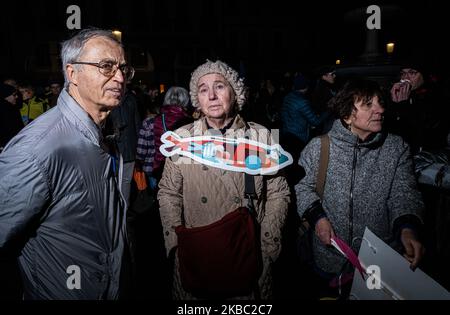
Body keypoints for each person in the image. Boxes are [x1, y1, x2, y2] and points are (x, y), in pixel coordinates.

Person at [0, 27, 135, 299]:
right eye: (106, 66)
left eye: (123, 68)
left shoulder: (105, 133)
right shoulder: (38, 149)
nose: (119, 77)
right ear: (72, 74)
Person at [157, 60, 290, 300]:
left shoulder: (259, 136)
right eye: (203, 89)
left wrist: (267, 243)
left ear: (234, 92)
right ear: (197, 98)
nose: (212, 96)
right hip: (197, 254)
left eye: (219, 86)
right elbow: (168, 192)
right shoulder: (184, 138)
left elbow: (278, 192)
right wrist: (175, 241)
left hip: (247, 254)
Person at [295, 79, 425, 299]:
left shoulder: (396, 148)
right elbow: (302, 187)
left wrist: (407, 227)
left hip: (378, 259)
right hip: (330, 257)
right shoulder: (319, 147)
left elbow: (404, 193)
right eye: (368, 104)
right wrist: (317, 217)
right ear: (347, 115)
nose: (380, 110)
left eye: (380, 102)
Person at [387, 60, 448, 153]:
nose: (406, 77)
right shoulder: (399, 95)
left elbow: (425, 131)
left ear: (423, 75)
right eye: (403, 73)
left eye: (412, 73)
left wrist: (404, 106)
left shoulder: (436, 97)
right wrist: (393, 104)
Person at [0, 83, 24, 152]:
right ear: (5, 96)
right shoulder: (10, 111)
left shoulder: (12, 109)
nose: (16, 97)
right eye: (14, 95)